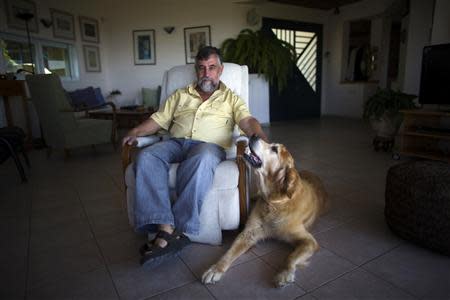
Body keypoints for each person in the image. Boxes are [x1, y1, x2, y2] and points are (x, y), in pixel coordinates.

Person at [122, 46, 268, 266]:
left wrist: (260, 138)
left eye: (211, 68)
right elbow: (158, 120)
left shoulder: (231, 98)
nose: (206, 73)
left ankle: (179, 228)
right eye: (201, 68)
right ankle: (164, 226)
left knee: (202, 158)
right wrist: (136, 132)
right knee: (146, 156)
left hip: (209, 146)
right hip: (175, 143)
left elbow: (246, 121)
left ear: (219, 70)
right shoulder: (180, 95)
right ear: (196, 71)